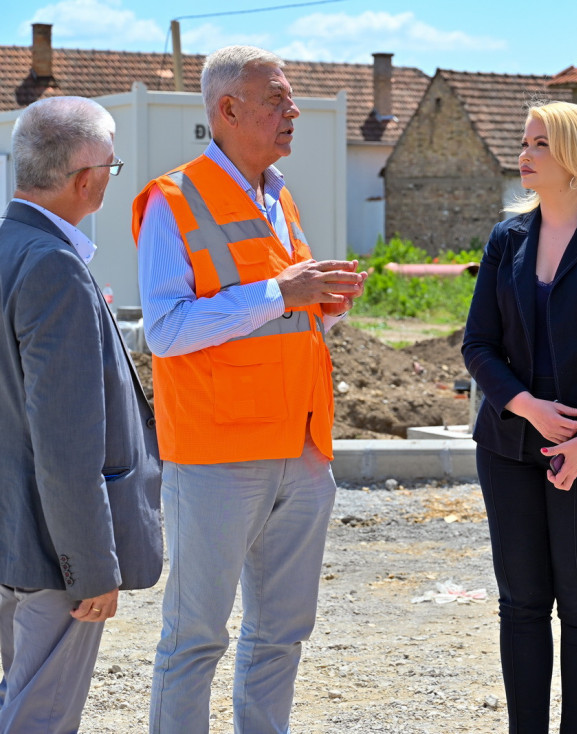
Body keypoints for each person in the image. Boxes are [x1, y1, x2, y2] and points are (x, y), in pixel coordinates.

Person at [132, 45, 365, 733]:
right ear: (227, 110)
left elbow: (270, 310)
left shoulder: (279, 193)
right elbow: (166, 331)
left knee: (280, 636)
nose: (292, 111)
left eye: (290, 98)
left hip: (298, 445)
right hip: (216, 453)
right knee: (194, 638)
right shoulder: (172, 200)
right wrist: (279, 292)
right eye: (277, 100)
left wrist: (317, 300)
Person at [462, 100, 577, 733]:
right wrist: (527, 407)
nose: (524, 154)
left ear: (573, 158)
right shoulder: (506, 237)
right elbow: (477, 345)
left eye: (539, 143)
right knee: (520, 605)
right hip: (510, 442)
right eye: (524, 142)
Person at [0, 96, 163, 732]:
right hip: (50, 557)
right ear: (86, 179)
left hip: (12, 540)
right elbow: (67, 446)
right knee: (38, 718)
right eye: (113, 167)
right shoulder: (55, 268)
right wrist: (92, 567)